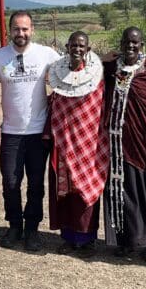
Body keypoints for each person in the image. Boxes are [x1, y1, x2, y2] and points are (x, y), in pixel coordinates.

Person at [0, 11, 60, 251]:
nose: (21, 33)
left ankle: (32, 230)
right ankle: (14, 227)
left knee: (36, 184)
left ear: (32, 30)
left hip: (38, 132)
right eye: (17, 29)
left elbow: (71, 70)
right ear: (10, 30)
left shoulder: (46, 54)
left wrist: (101, 60)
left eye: (25, 29)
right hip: (10, 131)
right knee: (10, 182)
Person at [102, 27, 146, 263]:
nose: (130, 46)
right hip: (116, 142)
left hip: (141, 141)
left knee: (144, 188)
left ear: (142, 45)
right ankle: (126, 241)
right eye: (126, 42)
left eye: (135, 42)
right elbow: (89, 65)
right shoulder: (112, 68)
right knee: (120, 190)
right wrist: (105, 58)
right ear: (121, 43)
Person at [47, 31, 107, 255]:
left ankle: (87, 238)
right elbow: (57, 104)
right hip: (63, 142)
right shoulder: (59, 74)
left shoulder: (95, 75)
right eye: (73, 45)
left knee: (86, 188)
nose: (77, 50)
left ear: (88, 50)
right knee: (66, 191)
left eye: (82, 46)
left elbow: (97, 105)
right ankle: (69, 236)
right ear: (67, 47)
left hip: (88, 143)